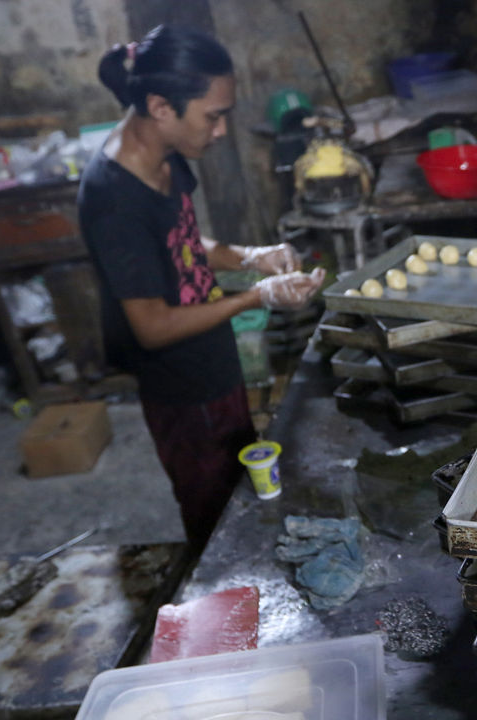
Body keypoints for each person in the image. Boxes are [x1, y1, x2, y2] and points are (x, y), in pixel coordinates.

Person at [78, 25, 324, 552]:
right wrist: (259, 295)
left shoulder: (165, 157)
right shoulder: (113, 198)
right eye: (213, 116)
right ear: (162, 106)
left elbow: (184, 238)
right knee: (214, 517)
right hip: (181, 394)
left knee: (245, 488)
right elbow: (152, 325)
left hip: (215, 363)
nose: (219, 131)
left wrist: (249, 258)